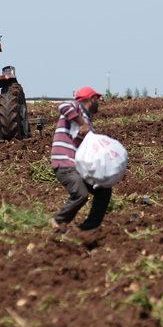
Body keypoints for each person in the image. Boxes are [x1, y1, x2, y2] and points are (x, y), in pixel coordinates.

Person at [49, 86, 112, 231]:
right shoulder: (76, 106)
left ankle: (90, 227)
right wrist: (82, 123)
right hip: (64, 163)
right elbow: (63, 106)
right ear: (92, 99)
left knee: (104, 190)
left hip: (78, 166)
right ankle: (58, 221)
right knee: (80, 194)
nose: (99, 103)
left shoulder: (88, 122)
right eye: (98, 99)